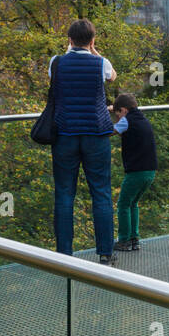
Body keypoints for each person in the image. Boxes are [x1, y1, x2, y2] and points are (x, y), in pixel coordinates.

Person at [49, 19, 116, 265]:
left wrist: (74, 48)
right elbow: (112, 77)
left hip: (65, 134)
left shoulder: (56, 62)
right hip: (96, 134)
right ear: (92, 41)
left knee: (65, 193)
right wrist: (93, 49)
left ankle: (65, 253)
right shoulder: (101, 63)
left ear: (69, 40)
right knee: (101, 192)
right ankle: (105, 252)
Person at [111, 93, 158, 252]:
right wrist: (114, 109)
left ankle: (123, 240)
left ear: (123, 110)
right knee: (133, 203)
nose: (117, 118)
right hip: (150, 171)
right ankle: (134, 238)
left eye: (117, 114)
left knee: (123, 204)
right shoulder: (142, 119)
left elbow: (109, 131)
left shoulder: (126, 121)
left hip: (136, 171)